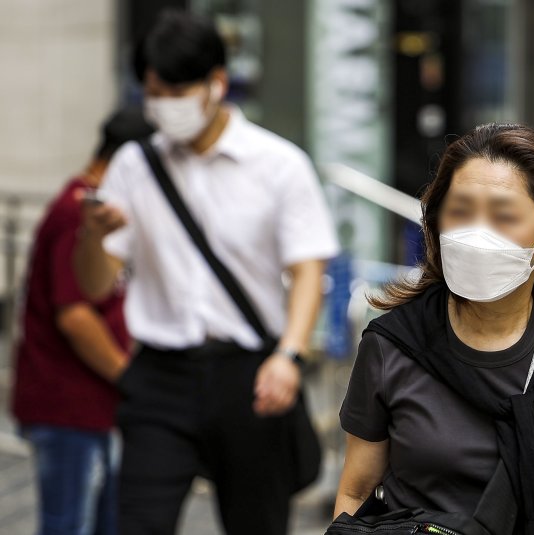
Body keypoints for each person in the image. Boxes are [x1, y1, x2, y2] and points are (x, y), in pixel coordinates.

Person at [73, 10, 339, 535]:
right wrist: (93, 234)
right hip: (158, 375)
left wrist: (289, 354)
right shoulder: (134, 163)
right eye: (152, 91)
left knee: (256, 523)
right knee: (138, 523)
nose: (162, 105)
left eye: (174, 90)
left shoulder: (278, 164)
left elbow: (309, 268)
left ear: (216, 83)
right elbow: (95, 284)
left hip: (250, 375)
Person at [334, 123, 534, 535]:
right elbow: (356, 493)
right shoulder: (394, 345)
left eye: (503, 216)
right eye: (461, 212)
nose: (477, 234)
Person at [11, 107, 153, 535]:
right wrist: (131, 379)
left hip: (95, 406)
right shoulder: (79, 212)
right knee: (70, 525)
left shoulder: (103, 209)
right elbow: (74, 315)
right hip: (67, 406)